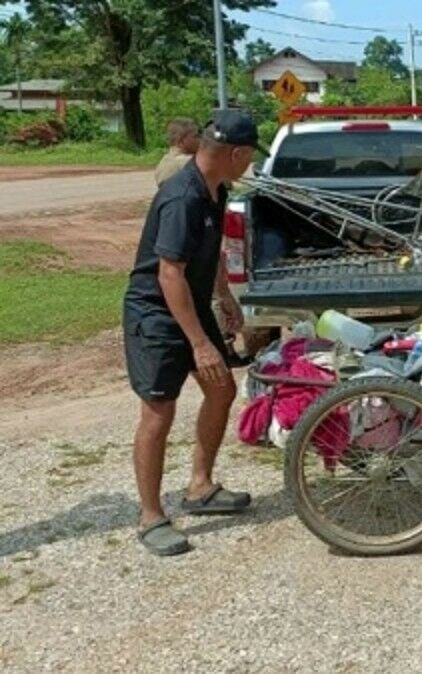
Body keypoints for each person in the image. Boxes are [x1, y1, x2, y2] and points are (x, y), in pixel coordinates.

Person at [124, 110, 267, 556]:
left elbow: (210, 253)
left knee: (221, 391)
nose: (249, 165)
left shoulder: (215, 189)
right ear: (236, 153)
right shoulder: (182, 197)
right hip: (157, 313)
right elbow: (169, 274)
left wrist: (225, 298)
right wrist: (200, 343)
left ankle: (199, 487)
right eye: (249, 157)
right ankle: (150, 516)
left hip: (190, 302)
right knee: (158, 412)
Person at [154, 118, 201, 186]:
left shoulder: (165, 160)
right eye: (196, 136)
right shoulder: (187, 162)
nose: (200, 140)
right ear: (181, 141)